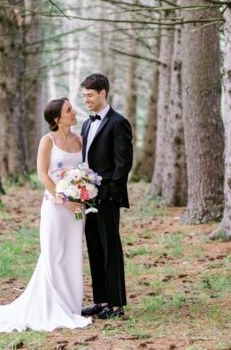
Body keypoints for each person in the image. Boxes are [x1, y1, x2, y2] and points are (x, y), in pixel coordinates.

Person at [0, 98, 92, 333]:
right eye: (68, 110)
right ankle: (52, 304)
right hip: (56, 207)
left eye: (72, 109)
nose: (74, 112)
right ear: (57, 118)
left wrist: (81, 194)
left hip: (77, 209)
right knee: (54, 254)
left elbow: (83, 171)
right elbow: (43, 175)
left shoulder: (80, 140)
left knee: (72, 253)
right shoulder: (48, 141)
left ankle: (71, 305)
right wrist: (63, 199)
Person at [79, 73, 132, 320]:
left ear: (103, 93)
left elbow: (123, 164)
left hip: (107, 199)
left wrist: (111, 195)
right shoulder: (86, 124)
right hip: (87, 197)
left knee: (111, 250)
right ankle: (100, 301)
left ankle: (116, 304)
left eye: (90, 95)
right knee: (95, 249)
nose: (86, 99)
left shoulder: (119, 123)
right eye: (84, 95)